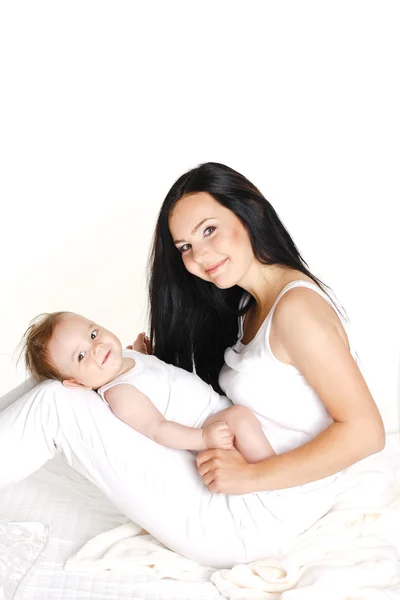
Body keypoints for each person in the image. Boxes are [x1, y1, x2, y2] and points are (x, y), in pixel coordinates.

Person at [149, 161, 385, 495]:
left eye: (208, 230)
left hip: (282, 496)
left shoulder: (296, 311)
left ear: (252, 213)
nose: (200, 255)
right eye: (185, 246)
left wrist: (250, 477)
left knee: (68, 402)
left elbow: (366, 432)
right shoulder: (248, 306)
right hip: (255, 486)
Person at [20, 311, 275, 462]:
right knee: (240, 418)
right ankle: (272, 475)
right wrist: (203, 438)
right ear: (76, 383)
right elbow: (157, 428)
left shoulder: (125, 359)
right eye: (81, 356)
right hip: (203, 425)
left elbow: (149, 375)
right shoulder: (120, 393)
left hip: (214, 409)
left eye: (93, 334)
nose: (96, 347)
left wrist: (143, 353)